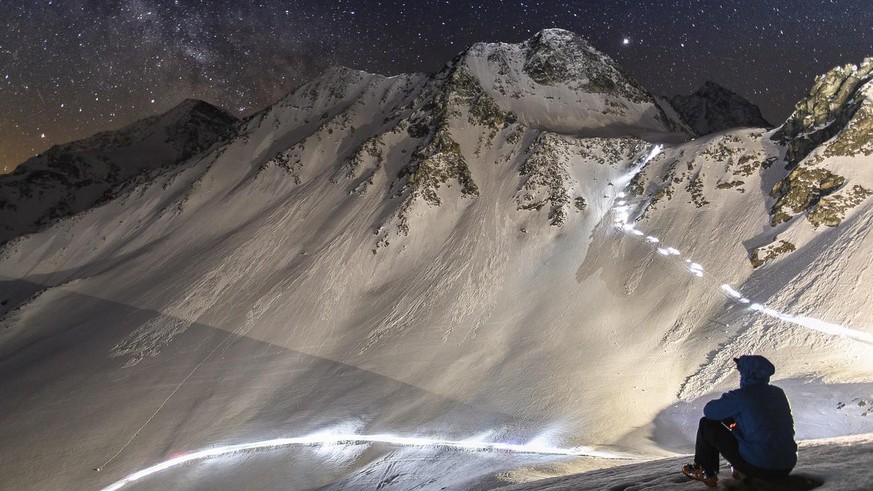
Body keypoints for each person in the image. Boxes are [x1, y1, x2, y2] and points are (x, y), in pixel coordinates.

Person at [682, 355, 797, 488]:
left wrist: (729, 400)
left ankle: (705, 471)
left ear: (748, 372)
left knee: (708, 424)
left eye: (741, 369)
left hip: (759, 466)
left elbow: (710, 411)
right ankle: (739, 469)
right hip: (786, 466)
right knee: (748, 422)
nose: (740, 372)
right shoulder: (778, 393)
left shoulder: (742, 396)